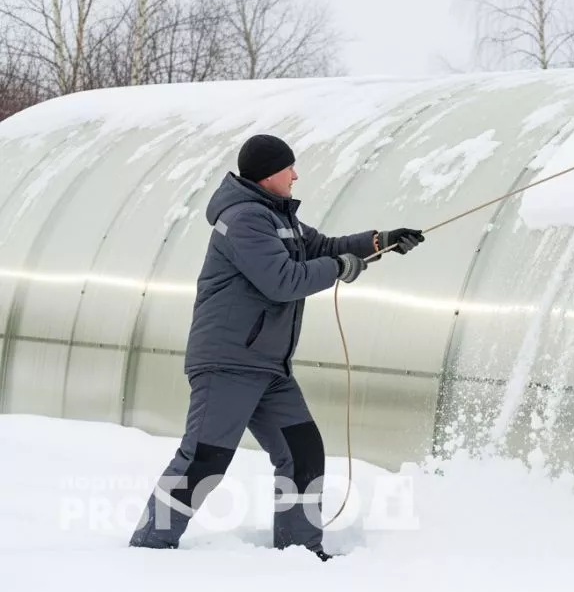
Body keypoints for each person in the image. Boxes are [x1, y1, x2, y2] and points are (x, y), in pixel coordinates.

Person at [129, 134, 425, 559]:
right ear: (269, 175)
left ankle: (300, 552)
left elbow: (323, 247)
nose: (296, 175)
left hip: (268, 367)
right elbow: (282, 281)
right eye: (289, 168)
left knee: (302, 453)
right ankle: (149, 547)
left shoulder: (276, 216)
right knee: (204, 459)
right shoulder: (244, 219)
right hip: (229, 363)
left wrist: (379, 241)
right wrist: (338, 268)